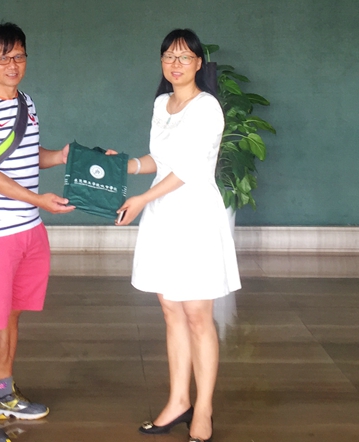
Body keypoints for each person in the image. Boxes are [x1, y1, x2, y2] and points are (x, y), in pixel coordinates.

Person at [115, 28, 240, 442]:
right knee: (171, 310)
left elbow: (187, 169)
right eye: (169, 56)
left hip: (194, 217)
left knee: (198, 314)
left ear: (199, 64)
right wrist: (126, 165)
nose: (176, 63)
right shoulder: (161, 104)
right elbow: (160, 159)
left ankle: (203, 409)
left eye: (185, 57)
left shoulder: (207, 108)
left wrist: (140, 199)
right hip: (163, 216)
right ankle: (178, 400)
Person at [0, 22, 75, 442]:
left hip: (29, 230)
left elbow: (26, 155)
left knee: (10, 315)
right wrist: (38, 199)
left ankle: (2, 393)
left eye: (19, 56)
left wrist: (62, 156)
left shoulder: (26, 102)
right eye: (3, 57)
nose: (12, 65)